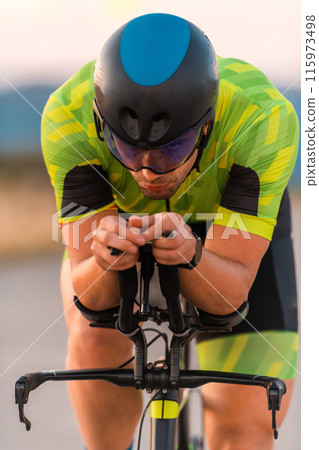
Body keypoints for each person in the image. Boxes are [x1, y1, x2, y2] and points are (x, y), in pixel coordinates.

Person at [41, 13, 299, 450]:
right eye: (127, 148)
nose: (147, 171)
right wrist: (102, 261)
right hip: (124, 227)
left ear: (207, 126)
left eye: (172, 148)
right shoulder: (68, 116)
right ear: (103, 126)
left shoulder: (263, 120)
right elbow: (89, 290)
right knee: (91, 336)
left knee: (242, 433)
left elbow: (230, 294)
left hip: (228, 233)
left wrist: (193, 256)